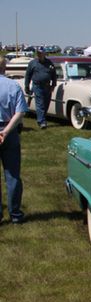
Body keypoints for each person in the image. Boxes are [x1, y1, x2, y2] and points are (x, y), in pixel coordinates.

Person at [0, 55, 27, 224]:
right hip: (10, 133)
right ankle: (15, 214)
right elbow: (21, 112)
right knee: (12, 175)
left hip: (6, 131)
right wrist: (6, 131)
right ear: (5, 68)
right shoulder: (13, 86)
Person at [23, 47, 56, 129]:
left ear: (44, 54)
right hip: (37, 86)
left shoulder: (49, 63)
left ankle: (41, 118)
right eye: (38, 53)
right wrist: (27, 85)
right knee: (40, 104)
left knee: (46, 104)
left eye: (41, 53)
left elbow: (54, 75)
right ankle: (42, 122)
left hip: (47, 86)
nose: (39, 54)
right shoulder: (32, 63)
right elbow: (28, 75)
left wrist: (53, 85)